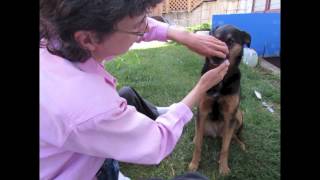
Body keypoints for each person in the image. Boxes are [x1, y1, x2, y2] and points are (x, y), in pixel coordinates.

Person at [40, 0, 230, 179]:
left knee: (127, 95)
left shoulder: (56, 34)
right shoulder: (88, 106)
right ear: (88, 39)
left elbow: (128, 22)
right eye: (138, 26)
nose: (144, 30)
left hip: (77, 154)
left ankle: (164, 112)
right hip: (82, 173)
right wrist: (201, 88)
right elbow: (157, 141)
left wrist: (181, 35)